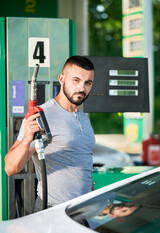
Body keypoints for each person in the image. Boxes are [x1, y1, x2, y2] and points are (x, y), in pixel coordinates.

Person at [5, 55, 95, 212]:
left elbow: (83, 169)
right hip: (54, 209)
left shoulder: (84, 118)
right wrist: (27, 139)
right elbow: (10, 168)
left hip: (83, 208)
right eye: (76, 80)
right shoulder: (43, 114)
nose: (82, 88)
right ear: (61, 79)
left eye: (88, 83)